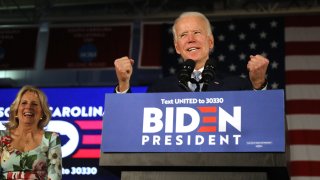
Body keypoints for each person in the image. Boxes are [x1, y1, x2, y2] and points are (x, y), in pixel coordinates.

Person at [114, 11, 269, 93]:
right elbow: (136, 127)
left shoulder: (237, 86)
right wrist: (123, 84)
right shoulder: (159, 89)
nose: (190, 39)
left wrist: (258, 85)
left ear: (210, 41)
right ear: (177, 47)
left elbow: (260, 121)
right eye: (183, 35)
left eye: (196, 32)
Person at [0, 85, 62, 180]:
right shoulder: (1, 137)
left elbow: (55, 176)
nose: (28, 107)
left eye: (34, 104)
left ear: (42, 113)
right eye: (24, 103)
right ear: (16, 111)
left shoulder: (51, 138)